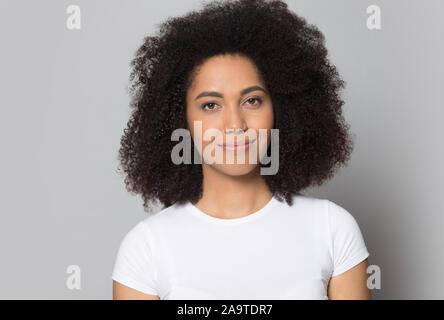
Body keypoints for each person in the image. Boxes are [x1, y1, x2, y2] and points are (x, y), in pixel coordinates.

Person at [112, 0, 370, 300]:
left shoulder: (332, 229)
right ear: (180, 120)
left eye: (252, 100)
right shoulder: (147, 248)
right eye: (211, 105)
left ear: (283, 109)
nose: (234, 124)